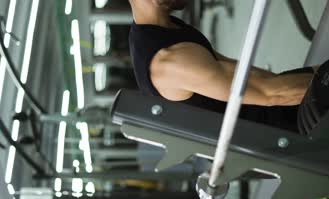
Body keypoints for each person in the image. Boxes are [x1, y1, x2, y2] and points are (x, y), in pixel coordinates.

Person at [128, 0, 316, 127]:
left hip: (273, 107)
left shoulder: (159, 29)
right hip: (283, 134)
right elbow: (273, 94)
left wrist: (319, 75)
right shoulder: (171, 62)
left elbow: (244, 73)